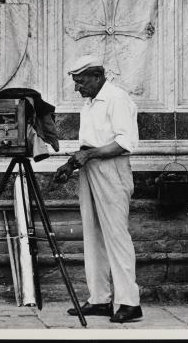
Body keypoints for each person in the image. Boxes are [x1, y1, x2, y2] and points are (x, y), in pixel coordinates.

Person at [54, 55, 142, 323]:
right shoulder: (89, 104)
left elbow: (125, 143)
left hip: (112, 169)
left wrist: (90, 155)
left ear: (97, 76)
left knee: (116, 236)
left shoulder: (116, 98)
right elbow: (88, 144)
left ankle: (129, 302)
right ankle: (100, 299)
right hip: (90, 169)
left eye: (81, 82)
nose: (78, 88)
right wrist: (72, 163)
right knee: (93, 236)